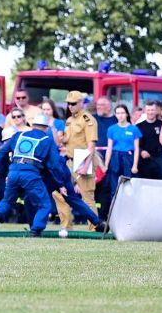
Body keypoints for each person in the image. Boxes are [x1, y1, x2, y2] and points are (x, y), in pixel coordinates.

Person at [0, 113, 66, 237]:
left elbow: (2, 151)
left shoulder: (18, 135)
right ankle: (36, 229)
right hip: (31, 174)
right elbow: (54, 165)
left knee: (8, 200)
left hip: (13, 172)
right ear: (46, 128)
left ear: (33, 125)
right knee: (44, 204)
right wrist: (60, 183)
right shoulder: (47, 140)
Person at [53, 90, 99, 230]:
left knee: (87, 197)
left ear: (81, 103)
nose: (70, 106)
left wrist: (86, 166)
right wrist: (57, 133)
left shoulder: (88, 119)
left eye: (73, 104)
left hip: (83, 157)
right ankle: (66, 226)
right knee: (59, 193)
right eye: (68, 104)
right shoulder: (69, 120)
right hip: (68, 158)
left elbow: (91, 145)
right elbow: (66, 140)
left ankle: (94, 228)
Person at [102, 104, 139, 196]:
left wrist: (135, 165)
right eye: (118, 113)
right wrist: (106, 165)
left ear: (127, 114)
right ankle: (114, 209)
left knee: (128, 186)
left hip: (128, 157)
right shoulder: (112, 129)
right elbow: (109, 148)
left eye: (122, 113)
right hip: (115, 157)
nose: (120, 115)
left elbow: (136, 148)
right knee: (114, 186)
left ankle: (129, 208)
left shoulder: (134, 129)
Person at [92, 96, 119, 216]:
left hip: (111, 156)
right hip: (94, 156)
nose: (99, 107)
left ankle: (104, 214)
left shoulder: (116, 121)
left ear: (109, 107)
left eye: (102, 105)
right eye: (98, 105)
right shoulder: (92, 119)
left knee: (106, 187)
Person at [133, 100, 162, 179]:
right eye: (148, 110)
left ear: (156, 111)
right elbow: (135, 144)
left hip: (160, 160)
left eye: (152, 110)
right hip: (144, 161)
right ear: (145, 111)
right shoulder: (139, 126)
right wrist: (141, 151)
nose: (150, 112)